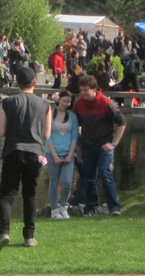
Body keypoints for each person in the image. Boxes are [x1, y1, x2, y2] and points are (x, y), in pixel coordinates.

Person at [0, 66, 52, 252]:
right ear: (35, 83)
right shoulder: (46, 105)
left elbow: (1, 132)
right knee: (30, 195)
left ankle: (3, 233)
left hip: (13, 152)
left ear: (16, 83)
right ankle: (30, 236)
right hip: (35, 154)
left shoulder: (7, 103)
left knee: (7, 195)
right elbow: (46, 134)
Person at [71, 73, 126, 216]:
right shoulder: (79, 104)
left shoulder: (107, 103)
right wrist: (78, 144)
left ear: (94, 89)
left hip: (104, 145)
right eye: (81, 90)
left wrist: (114, 143)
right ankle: (91, 207)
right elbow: (78, 124)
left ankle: (113, 207)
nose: (82, 93)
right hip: (87, 145)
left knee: (105, 172)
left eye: (85, 90)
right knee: (89, 177)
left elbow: (122, 123)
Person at [45, 90, 78, 219]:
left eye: (68, 102)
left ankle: (63, 206)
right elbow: (47, 137)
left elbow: (74, 136)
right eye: (64, 101)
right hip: (53, 153)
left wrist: (70, 154)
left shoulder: (72, 116)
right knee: (54, 182)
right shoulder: (50, 114)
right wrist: (54, 155)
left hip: (68, 153)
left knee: (67, 182)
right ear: (58, 100)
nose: (66, 104)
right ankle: (54, 209)